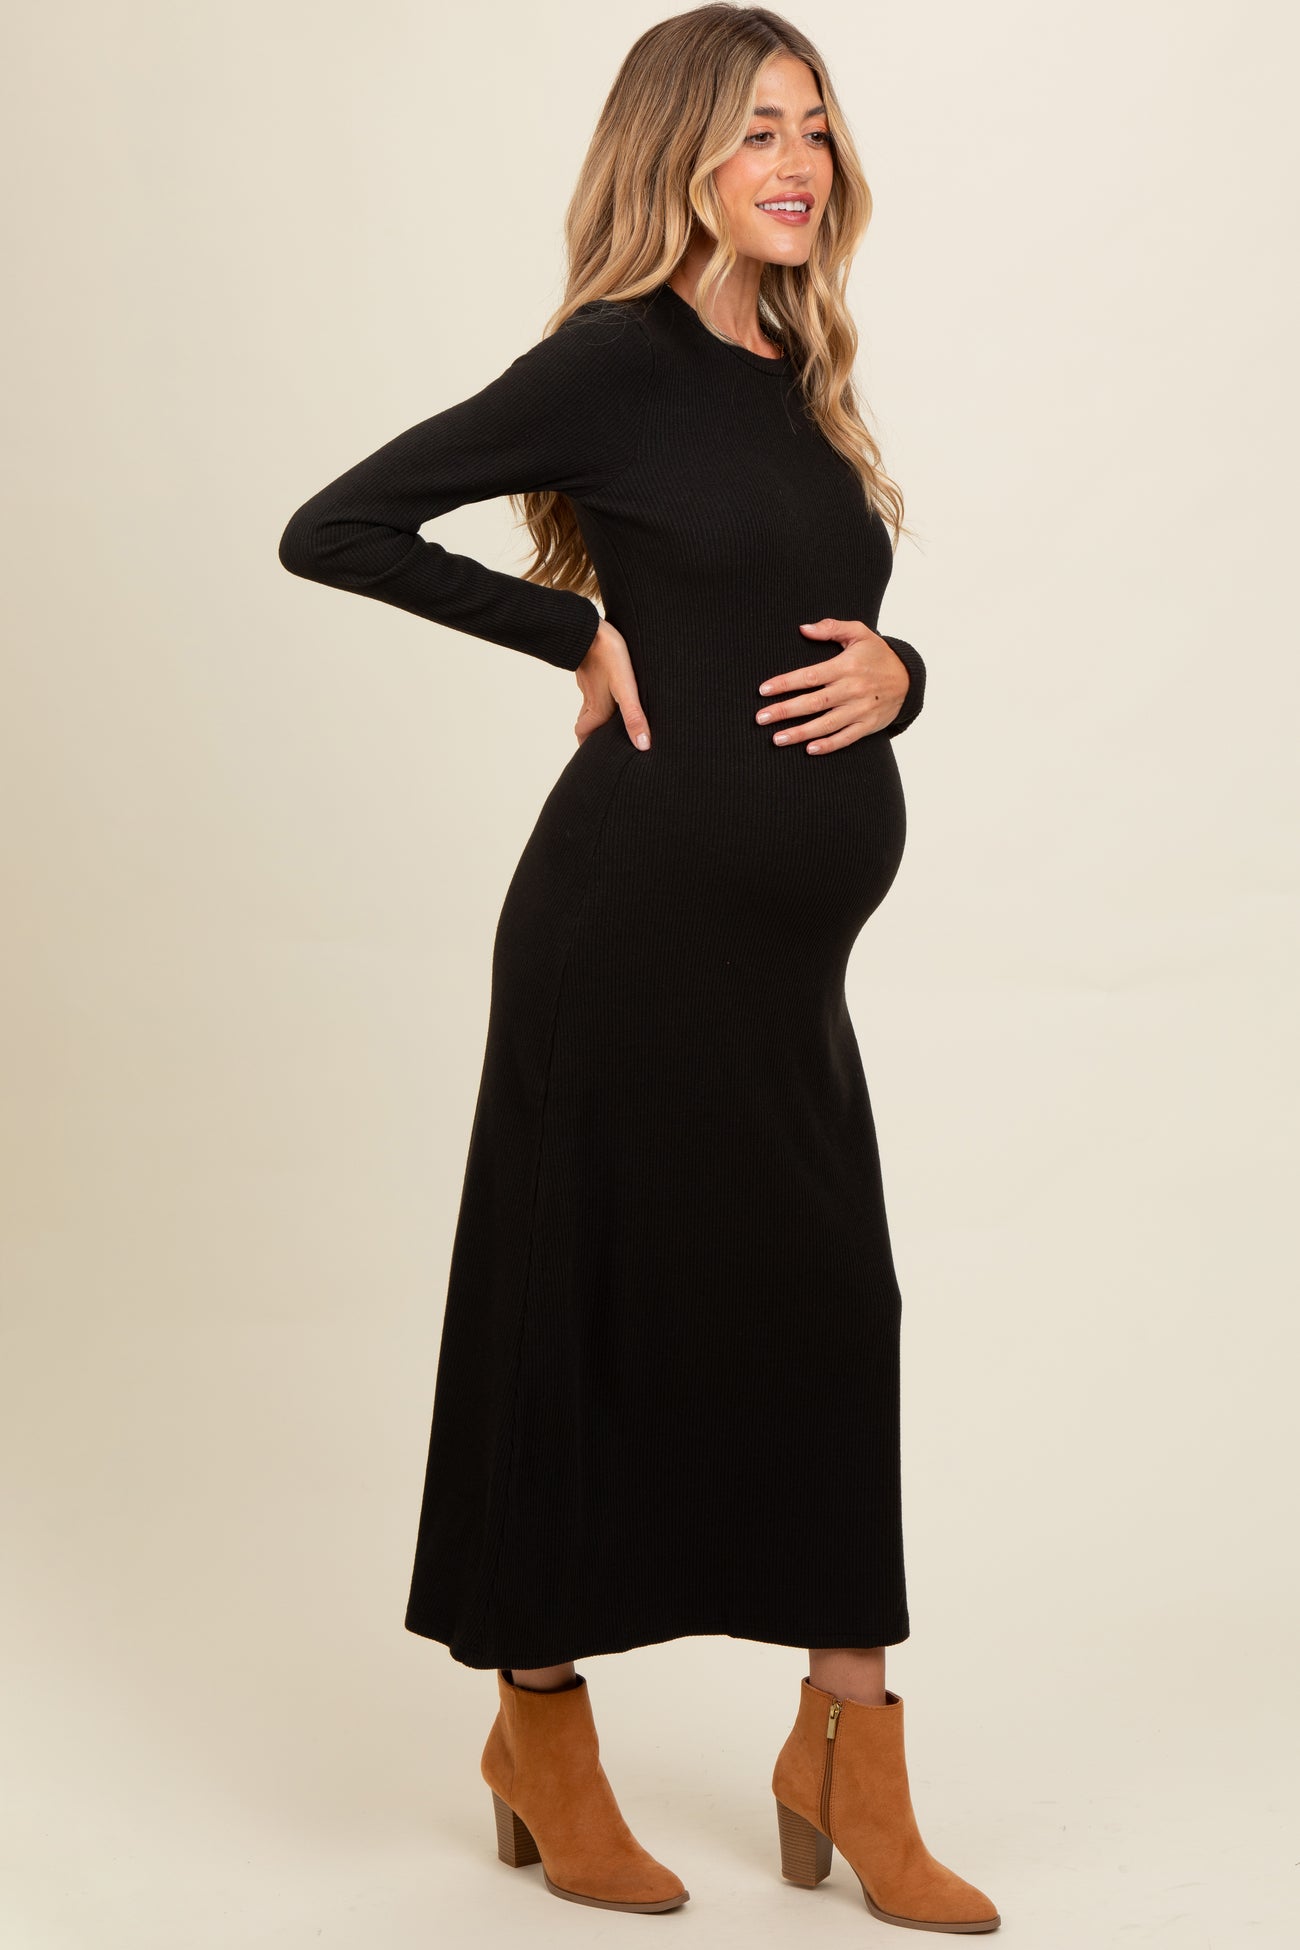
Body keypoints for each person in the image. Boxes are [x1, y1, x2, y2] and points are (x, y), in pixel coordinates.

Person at [278, 2, 1000, 1932]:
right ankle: (539, 1728)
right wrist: (567, 635)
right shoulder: (613, 360)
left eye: (815, 128)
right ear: (677, 148)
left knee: (834, 1306)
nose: (797, 162)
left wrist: (909, 676)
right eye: (757, 127)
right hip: (625, 940)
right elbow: (334, 526)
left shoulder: (802, 371)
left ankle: (846, 1746)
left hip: (782, 970)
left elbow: (820, 626)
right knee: (574, 1303)